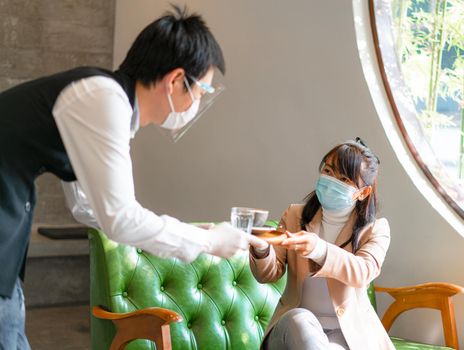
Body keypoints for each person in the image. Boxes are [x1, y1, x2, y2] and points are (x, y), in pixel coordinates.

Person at [0, 5, 266, 349]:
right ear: (175, 80)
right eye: (201, 92)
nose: (199, 102)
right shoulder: (104, 100)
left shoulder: (107, 101)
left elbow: (88, 208)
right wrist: (209, 243)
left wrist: (191, 234)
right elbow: (120, 218)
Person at [248, 139, 395, 350]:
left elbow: (364, 271)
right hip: (292, 330)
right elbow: (267, 274)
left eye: (344, 178)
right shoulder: (295, 215)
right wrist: (261, 248)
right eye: (328, 171)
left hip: (346, 336)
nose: (331, 180)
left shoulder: (375, 229)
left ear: (363, 193)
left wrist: (319, 250)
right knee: (299, 318)